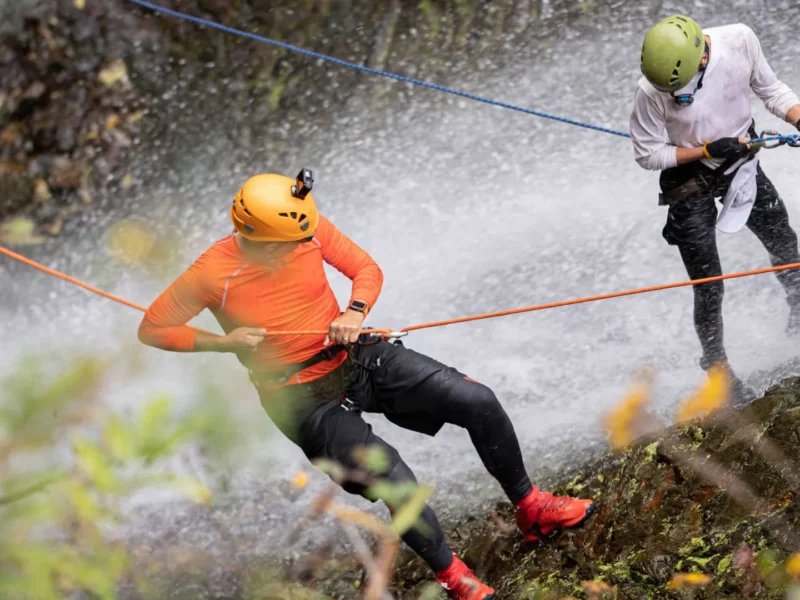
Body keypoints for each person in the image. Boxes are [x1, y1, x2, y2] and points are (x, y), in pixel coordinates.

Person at [137, 171, 595, 600]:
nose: (300, 246)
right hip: (296, 396)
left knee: (477, 400)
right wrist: (225, 342)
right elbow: (154, 328)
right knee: (394, 479)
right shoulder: (211, 273)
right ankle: (454, 578)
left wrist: (353, 313)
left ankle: (531, 507)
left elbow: (365, 268)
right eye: (288, 243)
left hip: (353, 357)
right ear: (254, 235)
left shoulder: (308, 229)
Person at [630, 15, 800, 403]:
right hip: (690, 176)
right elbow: (648, 154)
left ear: (702, 59)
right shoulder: (651, 90)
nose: (674, 94)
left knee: (785, 245)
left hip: (742, 160)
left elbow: (771, 90)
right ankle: (718, 369)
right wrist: (705, 150)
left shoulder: (739, 41)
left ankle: (799, 309)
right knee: (708, 283)